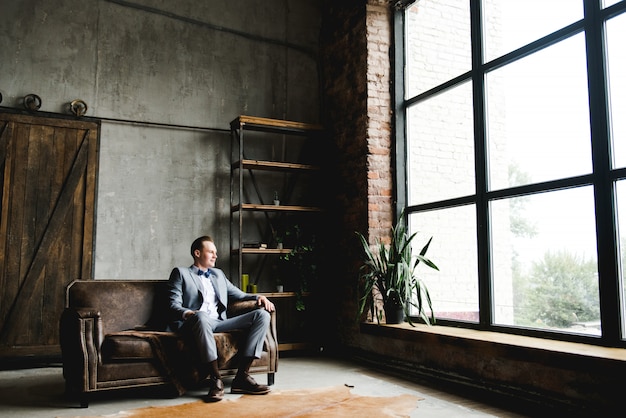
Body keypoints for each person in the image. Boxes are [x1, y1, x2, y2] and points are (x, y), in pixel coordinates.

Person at [166, 235, 275, 402]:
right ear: (197, 253)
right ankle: (216, 380)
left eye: (215, 252)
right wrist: (189, 313)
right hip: (195, 322)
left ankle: (242, 377)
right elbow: (173, 305)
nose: (215, 256)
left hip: (219, 322)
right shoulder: (181, 273)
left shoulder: (218, 275)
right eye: (211, 252)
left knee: (262, 314)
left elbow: (240, 295)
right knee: (201, 316)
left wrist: (259, 296)